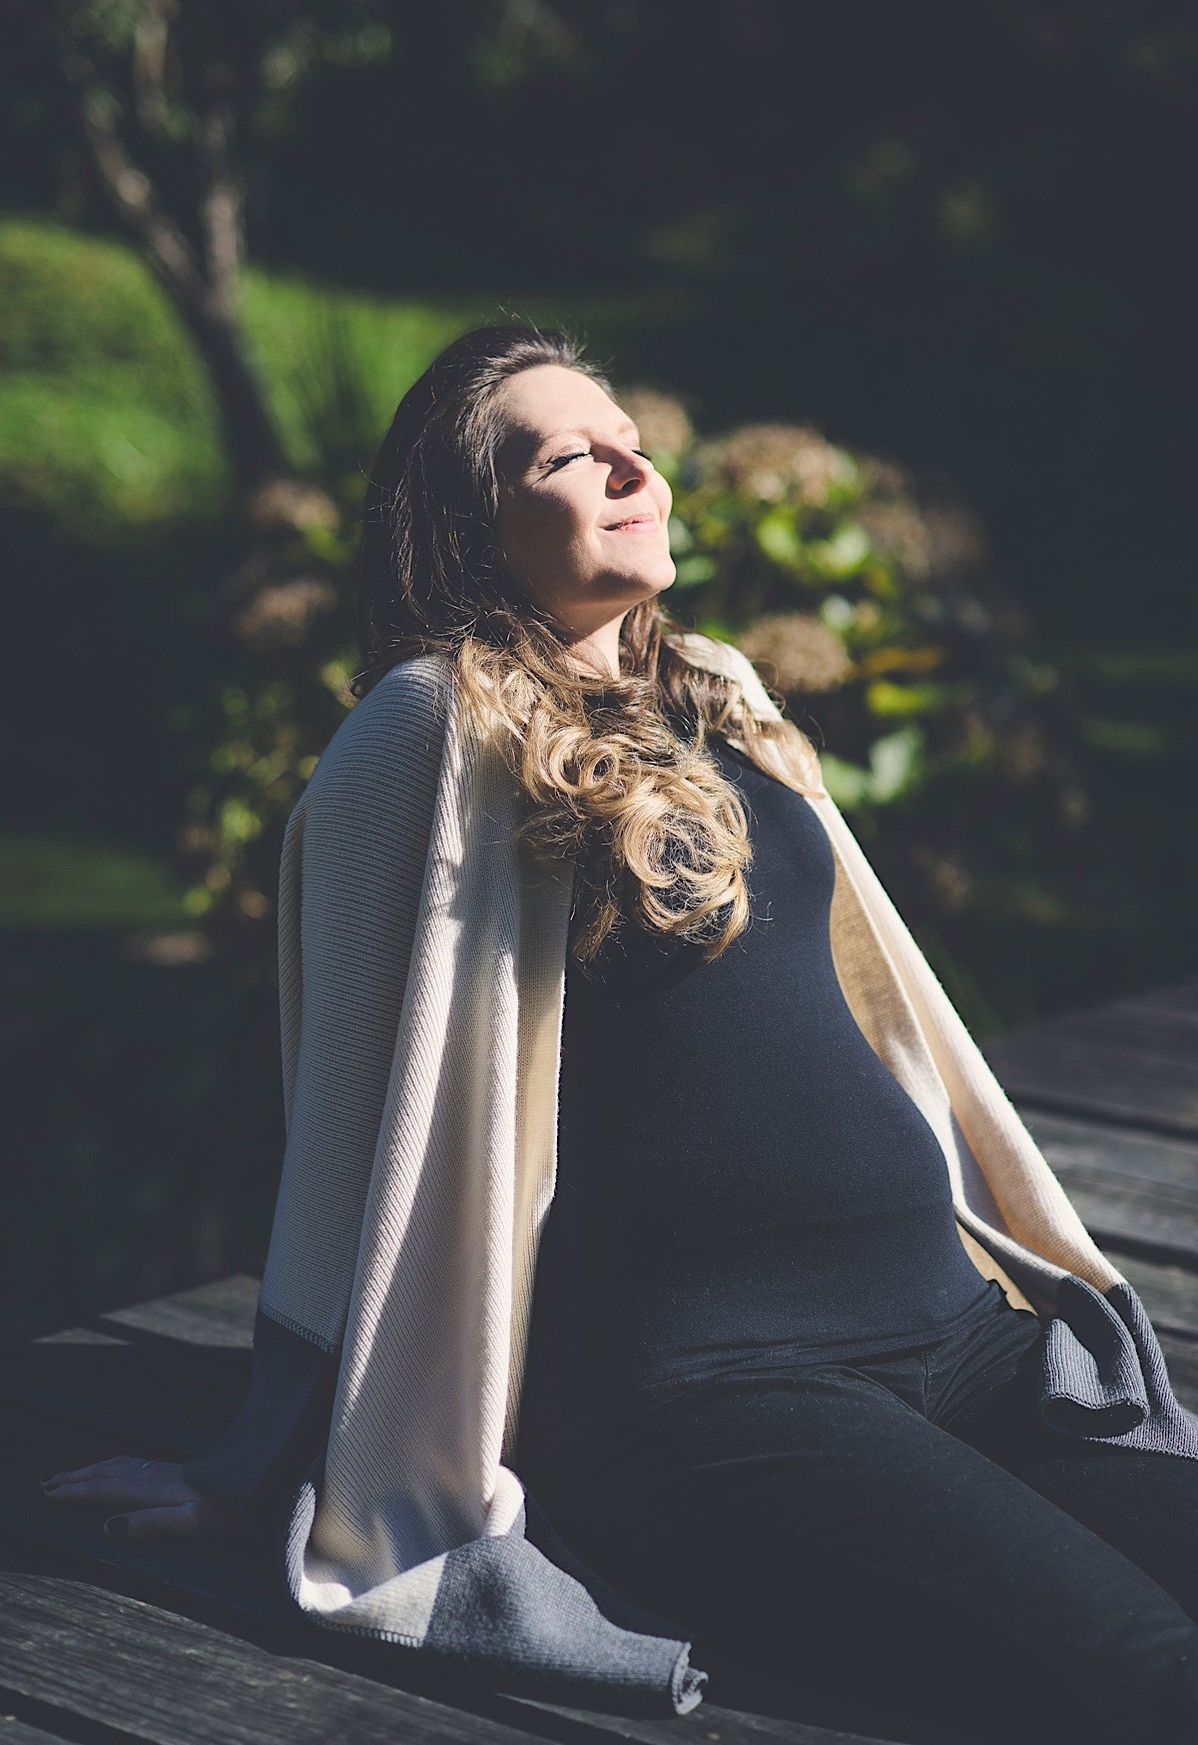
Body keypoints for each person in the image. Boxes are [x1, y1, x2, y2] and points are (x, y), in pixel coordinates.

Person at [43, 325, 1198, 1743]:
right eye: (565, 455)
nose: (629, 468)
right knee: (1147, 1676)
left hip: (963, 1336)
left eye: (629, 442)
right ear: (469, 526)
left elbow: (873, 999)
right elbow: (349, 1124)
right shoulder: (428, 731)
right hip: (724, 1392)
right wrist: (258, 1459)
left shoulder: (715, 691)